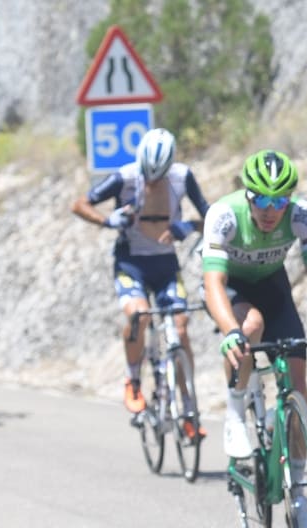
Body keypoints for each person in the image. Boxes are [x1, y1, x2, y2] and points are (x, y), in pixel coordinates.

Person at [71, 128, 209, 431]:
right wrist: (108, 220)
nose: (152, 180)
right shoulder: (125, 176)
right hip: (130, 262)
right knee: (138, 316)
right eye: (148, 174)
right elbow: (79, 204)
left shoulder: (182, 177)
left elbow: (211, 217)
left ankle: (187, 408)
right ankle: (133, 379)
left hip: (165, 263)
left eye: (158, 176)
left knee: (181, 326)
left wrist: (189, 226)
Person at [201, 149, 307, 463]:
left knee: (299, 389)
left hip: (272, 286)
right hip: (232, 286)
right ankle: (235, 414)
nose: (270, 211)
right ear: (248, 196)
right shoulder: (224, 214)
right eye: (262, 201)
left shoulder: (302, 215)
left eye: (280, 201)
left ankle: (300, 490)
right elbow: (213, 283)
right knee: (250, 327)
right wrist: (231, 331)